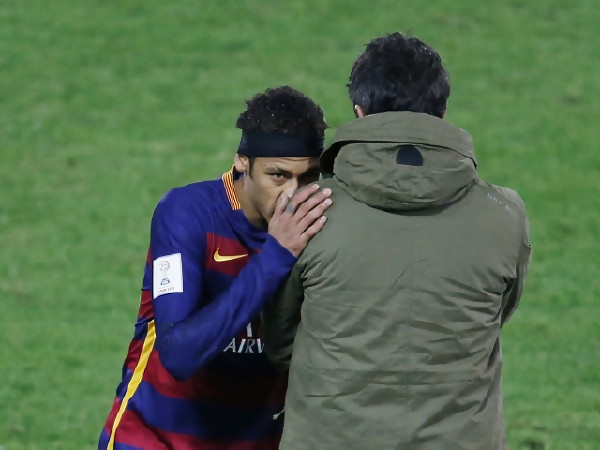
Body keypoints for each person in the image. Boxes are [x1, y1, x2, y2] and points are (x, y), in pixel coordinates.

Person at [263, 33, 532, 449]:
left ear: (359, 112)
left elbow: (281, 342)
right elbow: (496, 313)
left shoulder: (306, 211)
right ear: (442, 114)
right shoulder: (505, 214)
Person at [98, 85, 332, 449]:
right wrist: (276, 255)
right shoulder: (186, 215)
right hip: (153, 439)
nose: (293, 195)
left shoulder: (321, 225)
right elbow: (179, 354)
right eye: (278, 175)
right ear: (242, 162)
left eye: (308, 177)